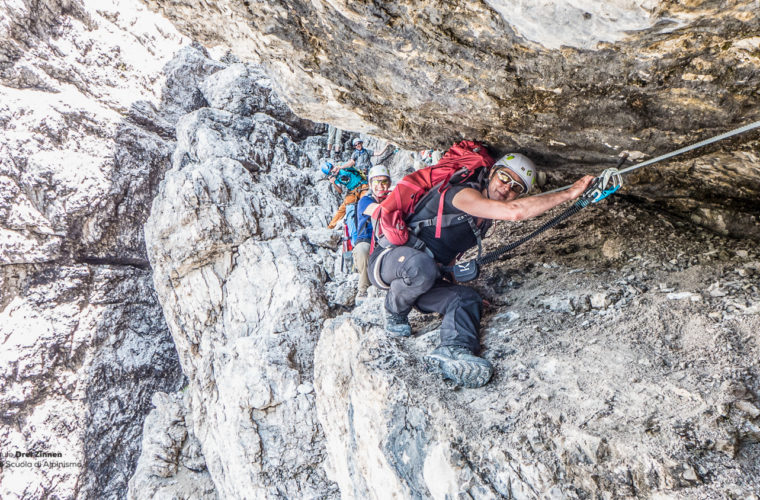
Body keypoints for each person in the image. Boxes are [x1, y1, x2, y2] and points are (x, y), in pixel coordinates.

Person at [367, 153, 594, 388]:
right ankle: (394, 311)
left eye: (516, 187)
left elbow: (449, 251)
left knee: (467, 298)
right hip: (391, 261)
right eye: (504, 178)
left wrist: (453, 284)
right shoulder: (462, 194)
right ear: (492, 173)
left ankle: (453, 350)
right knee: (420, 267)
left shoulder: (482, 221)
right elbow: (515, 212)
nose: (506, 188)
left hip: (425, 274)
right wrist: (569, 194)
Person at [353, 165, 392, 302]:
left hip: (389, 238)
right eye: (376, 181)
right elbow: (378, 211)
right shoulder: (365, 201)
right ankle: (363, 289)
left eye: (384, 181)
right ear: (370, 184)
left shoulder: (392, 198)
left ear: (389, 183)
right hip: (368, 240)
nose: (380, 185)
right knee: (363, 250)